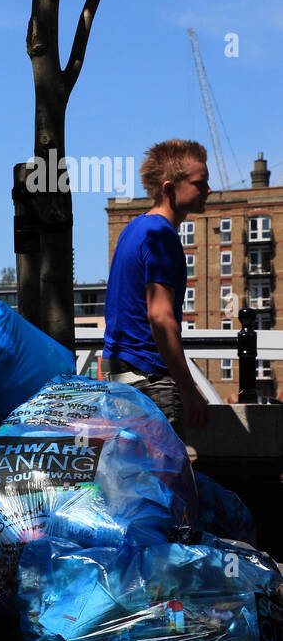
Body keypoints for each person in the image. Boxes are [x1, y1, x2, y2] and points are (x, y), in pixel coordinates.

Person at [102, 139, 211, 435]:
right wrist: (189, 390)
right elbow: (161, 318)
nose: (208, 190)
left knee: (133, 477)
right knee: (161, 477)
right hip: (150, 379)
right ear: (169, 188)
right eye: (200, 183)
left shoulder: (135, 229)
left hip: (121, 373)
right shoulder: (161, 237)